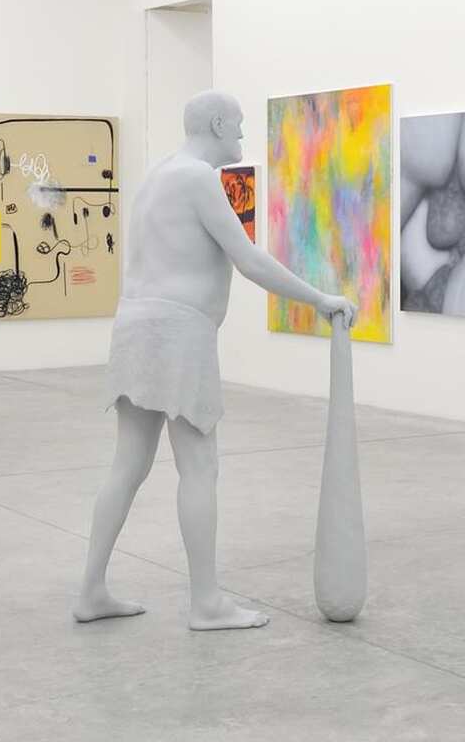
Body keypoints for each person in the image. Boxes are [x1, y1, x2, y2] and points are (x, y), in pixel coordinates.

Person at [75, 90, 353, 631]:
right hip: (178, 331)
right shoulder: (199, 178)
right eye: (239, 124)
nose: (243, 134)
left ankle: (90, 591)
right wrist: (319, 300)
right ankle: (206, 603)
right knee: (200, 467)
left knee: (127, 465)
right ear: (219, 123)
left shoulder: (158, 177)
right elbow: (248, 260)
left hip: (134, 324)